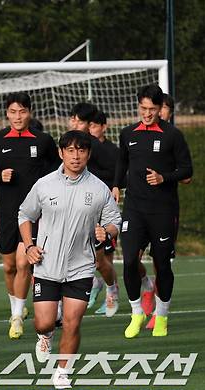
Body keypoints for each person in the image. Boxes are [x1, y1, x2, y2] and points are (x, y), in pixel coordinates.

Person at [19, 130, 121, 389]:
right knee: (44, 321)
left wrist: (106, 231)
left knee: (73, 323)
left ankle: (62, 372)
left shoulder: (98, 188)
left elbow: (115, 221)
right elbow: (24, 214)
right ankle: (46, 335)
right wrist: (30, 246)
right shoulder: (44, 184)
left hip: (81, 267)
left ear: (88, 153)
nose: (76, 156)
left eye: (82, 151)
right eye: (71, 151)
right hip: (46, 265)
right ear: (61, 153)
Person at [113, 84, 193, 338]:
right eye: (143, 108)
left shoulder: (173, 135)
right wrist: (116, 185)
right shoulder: (128, 133)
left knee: (161, 264)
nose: (147, 113)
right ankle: (137, 313)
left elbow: (186, 170)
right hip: (134, 208)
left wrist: (164, 177)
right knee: (128, 262)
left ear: (161, 109)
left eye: (152, 109)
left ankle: (162, 316)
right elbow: (122, 161)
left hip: (162, 210)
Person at [0, 92, 58, 339]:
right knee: (10, 265)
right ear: (6, 113)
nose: (17, 116)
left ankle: (17, 317)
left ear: (29, 112)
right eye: (13, 112)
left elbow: (57, 169)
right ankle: (17, 309)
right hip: (6, 212)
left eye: (22, 111)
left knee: (24, 263)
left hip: (33, 214)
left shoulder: (43, 140)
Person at [86, 111, 121, 317]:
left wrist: (113, 186)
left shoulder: (110, 150)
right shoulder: (81, 149)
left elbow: (119, 174)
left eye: (94, 125)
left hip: (105, 210)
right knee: (91, 259)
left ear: (103, 127)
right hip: (85, 209)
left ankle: (111, 291)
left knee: (103, 260)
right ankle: (96, 285)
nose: (91, 129)